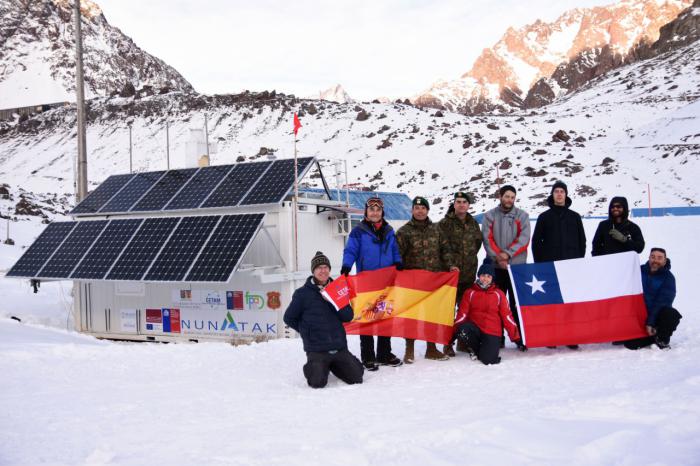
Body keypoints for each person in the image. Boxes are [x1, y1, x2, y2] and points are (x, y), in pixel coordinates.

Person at [283, 251, 364, 388]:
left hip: (338, 347)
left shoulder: (337, 289)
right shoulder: (302, 294)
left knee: (357, 377)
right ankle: (315, 366)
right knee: (317, 382)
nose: (323, 271)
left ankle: (335, 364)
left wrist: (333, 301)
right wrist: (307, 331)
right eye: (319, 268)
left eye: (326, 267)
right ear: (313, 271)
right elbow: (289, 318)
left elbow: (348, 316)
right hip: (317, 349)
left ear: (329, 270)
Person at [341, 196, 403, 370]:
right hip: (367, 282)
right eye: (371, 209)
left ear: (382, 212)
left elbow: (394, 249)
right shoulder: (358, 231)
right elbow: (350, 250)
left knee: (385, 317)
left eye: (378, 210)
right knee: (367, 318)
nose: (375, 212)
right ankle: (368, 357)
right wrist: (347, 265)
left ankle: (384, 354)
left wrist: (398, 261)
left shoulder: (389, 230)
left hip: (386, 282)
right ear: (366, 212)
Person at [396, 196, 458, 363]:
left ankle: (431, 348)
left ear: (427, 210)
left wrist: (451, 265)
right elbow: (397, 255)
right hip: (412, 283)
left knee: (432, 315)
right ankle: (409, 350)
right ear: (412, 211)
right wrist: (397, 270)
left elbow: (445, 250)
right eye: (417, 208)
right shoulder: (404, 232)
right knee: (412, 317)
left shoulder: (437, 230)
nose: (420, 211)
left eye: (423, 208)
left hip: (433, 281)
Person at [531, 180, 586, 350]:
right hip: (550, 266)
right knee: (552, 302)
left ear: (566, 194)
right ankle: (552, 336)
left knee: (570, 303)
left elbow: (582, 241)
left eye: (562, 191)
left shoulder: (574, 217)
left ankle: (570, 336)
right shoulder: (544, 217)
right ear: (552, 195)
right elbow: (536, 242)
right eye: (556, 191)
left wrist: (578, 260)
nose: (559, 194)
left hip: (571, 266)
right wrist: (540, 264)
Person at [453, 260, 526, 365]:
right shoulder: (470, 292)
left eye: (488, 276)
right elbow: (462, 315)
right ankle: (474, 348)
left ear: (492, 279)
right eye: (483, 275)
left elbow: (507, 317)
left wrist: (517, 338)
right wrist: (452, 335)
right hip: (476, 329)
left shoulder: (498, 294)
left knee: (488, 360)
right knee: (463, 328)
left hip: (492, 331)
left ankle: (484, 349)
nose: (485, 279)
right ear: (479, 276)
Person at [481, 185, 530, 337]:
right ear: (500, 196)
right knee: (496, 304)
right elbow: (487, 239)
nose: (509, 200)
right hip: (496, 268)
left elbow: (524, 239)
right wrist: (498, 257)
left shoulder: (522, 216)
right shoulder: (490, 216)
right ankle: (497, 336)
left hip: (516, 268)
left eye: (512, 197)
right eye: (507, 196)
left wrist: (507, 255)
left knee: (516, 304)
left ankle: (519, 335)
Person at [438, 191, 482, 356]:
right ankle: (447, 343)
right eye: (458, 201)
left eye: (464, 202)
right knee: (448, 312)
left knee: (466, 310)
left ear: (468, 205)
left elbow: (477, 244)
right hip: (451, 276)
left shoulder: (473, 223)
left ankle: (463, 342)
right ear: (454, 204)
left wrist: (468, 259)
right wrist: (451, 264)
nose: (462, 204)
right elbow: (440, 247)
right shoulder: (444, 224)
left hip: (469, 274)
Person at [623, 248, 682, 350]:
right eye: (653, 257)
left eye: (659, 258)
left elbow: (662, 302)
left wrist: (651, 322)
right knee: (630, 344)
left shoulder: (668, 278)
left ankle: (661, 338)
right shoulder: (638, 271)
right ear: (649, 258)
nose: (655, 260)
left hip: (656, 316)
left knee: (670, 314)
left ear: (664, 260)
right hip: (638, 316)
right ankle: (652, 337)